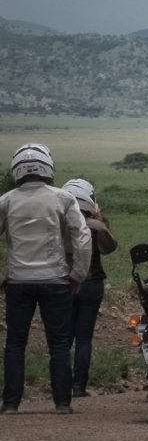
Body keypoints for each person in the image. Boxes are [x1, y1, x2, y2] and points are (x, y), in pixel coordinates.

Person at [0, 143, 91, 414]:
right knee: (59, 343)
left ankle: (11, 404)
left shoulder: (6, 200)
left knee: (15, 343)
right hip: (56, 280)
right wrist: (78, 274)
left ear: (17, 169)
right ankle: (62, 403)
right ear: (47, 167)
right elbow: (82, 237)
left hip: (18, 281)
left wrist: (2, 276)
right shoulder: (63, 198)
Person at [59, 179, 116, 398]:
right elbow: (111, 247)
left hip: (64, 283)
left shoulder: (58, 224)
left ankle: (61, 384)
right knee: (84, 337)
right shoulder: (96, 226)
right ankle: (79, 386)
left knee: (64, 337)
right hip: (92, 284)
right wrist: (98, 216)